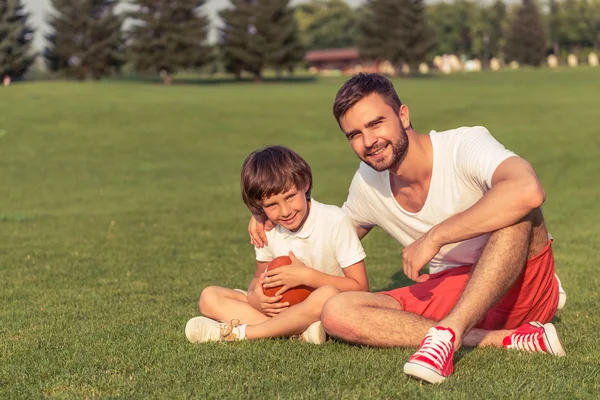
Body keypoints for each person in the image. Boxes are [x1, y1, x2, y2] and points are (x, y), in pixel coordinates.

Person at [248, 73, 566, 383]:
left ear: (403, 114)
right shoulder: (367, 183)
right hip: (452, 291)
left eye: (376, 123)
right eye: (354, 134)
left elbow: (528, 190)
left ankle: (447, 335)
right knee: (337, 311)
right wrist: (269, 217)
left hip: (522, 288)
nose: (368, 141)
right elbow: (330, 236)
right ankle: (504, 339)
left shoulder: (463, 145)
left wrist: (435, 236)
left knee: (518, 212)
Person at [185, 145, 368, 345]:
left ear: (305, 184)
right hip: (282, 308)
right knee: (209, 297)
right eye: (272, 205)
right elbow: (258, 278)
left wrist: (307, 276)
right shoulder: (267, 230)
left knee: (327, 294)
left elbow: (361, 288)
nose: (285, 211)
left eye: (290, 197)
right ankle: (298, 333)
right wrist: (256, 297)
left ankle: (243, 333)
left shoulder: (336, 221)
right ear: (260, 207)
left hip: (323, 307)